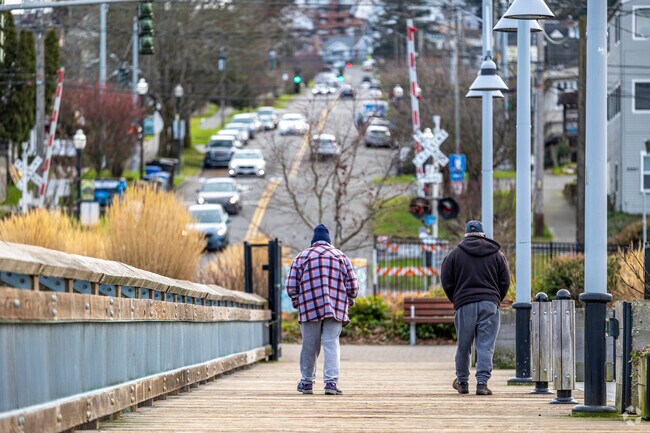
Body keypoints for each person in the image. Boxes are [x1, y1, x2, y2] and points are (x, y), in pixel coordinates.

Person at [286, 224, 359, 395]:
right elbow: (353, 288)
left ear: (313, 240)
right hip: (336, 308)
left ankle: (307, 382)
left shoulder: (301, 257)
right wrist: (347, 299)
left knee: (309, 346)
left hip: (309, 308)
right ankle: (331, 384)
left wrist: (298, 301)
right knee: (331, 344)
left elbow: (291, 287)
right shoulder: (341, 257)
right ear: (328, 240)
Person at [440, 220, 511, 396]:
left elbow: (447, 281)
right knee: (485, 346)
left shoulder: (454, 255)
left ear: (466, 234)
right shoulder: (497, 254)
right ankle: (482, 384)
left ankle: (462, 382)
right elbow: (505, 281)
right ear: (483, 233)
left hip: (464, 304)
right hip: (489, 303)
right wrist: (495, 299)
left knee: (464, 346)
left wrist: (456, 299)